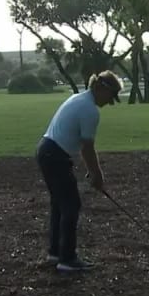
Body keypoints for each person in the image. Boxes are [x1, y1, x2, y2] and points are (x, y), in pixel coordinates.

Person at [35, 70, 123, 272]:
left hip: (47, 151)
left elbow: (79, 146)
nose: (110, 103)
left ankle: (55, 253)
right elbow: (87, 148)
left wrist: (91, 172)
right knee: (71, 205)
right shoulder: (90, 110)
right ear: (101, 88)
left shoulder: (78, 98)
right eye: (111, 97)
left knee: (60, 205)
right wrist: (97, 175)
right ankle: (67, 259)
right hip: (54, 155)